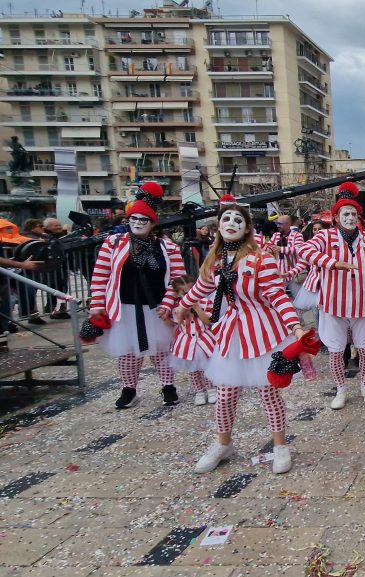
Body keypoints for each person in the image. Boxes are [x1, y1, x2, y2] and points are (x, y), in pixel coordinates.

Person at [175, 196, 307, 475]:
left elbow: (276, 295)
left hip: (262, 332)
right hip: (231, 332)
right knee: (224, 394)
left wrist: (295, 327)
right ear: (218, 226)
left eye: (238, 220)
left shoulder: (261, 260)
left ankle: (281, 446)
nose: (231, 223)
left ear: (247, 228)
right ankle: (223, 444)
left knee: (268, 392)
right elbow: (200, 287)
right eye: (226, 219)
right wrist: (182, 305)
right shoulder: (215, 260)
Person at [89, 182, 185, 409]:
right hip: (125, 306)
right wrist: (97, 304)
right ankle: (129, 389)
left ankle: (168, 386)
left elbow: (178, 280)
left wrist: (170, 303)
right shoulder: (113, 244)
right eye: (134, 219)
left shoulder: (168, 248)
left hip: (157, 306)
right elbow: (101, 275)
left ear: (152, 223)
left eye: (143, 220)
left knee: (162, 349)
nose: (138, 223)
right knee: (128, 351)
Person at [296, 182, 365, 411]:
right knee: (337, 351)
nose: (349, 217)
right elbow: (304, 250)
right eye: (344, 213)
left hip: (364, 305)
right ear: (336, 217)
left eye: (353, 213)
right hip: (332, 305)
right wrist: (333, 263)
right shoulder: (325, 237)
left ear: (358, 216)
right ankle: (340, 389)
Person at [168, 276, 215, 406]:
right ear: (178, 294)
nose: (189, 295)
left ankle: (211, 389)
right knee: (192, 369)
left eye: (191, 291)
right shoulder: (177, 308)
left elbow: (208, 321)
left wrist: (197, 308)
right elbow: (177, 322)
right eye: (185, 293)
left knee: (207, 367)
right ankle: (199, 391)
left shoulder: (206, 303)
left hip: (204, 339)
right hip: (187, 343)